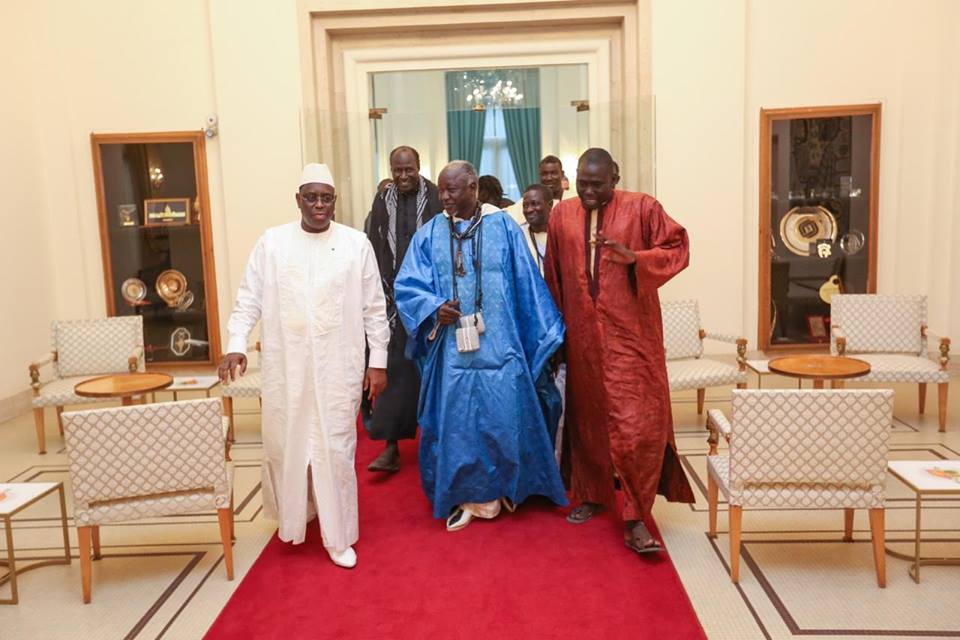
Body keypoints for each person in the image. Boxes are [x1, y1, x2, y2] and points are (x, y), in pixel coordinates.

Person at [219, 163, 390, 569]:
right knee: (288, 444)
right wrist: (236, 344)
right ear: (297, 199)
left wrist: (378, 362)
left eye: (325, 198)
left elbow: (374, 308)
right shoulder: (272, 243)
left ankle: (339, 536)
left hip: (338, 366)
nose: (318, 205)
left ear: (335, 201)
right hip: (287, 366)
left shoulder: (355, 244)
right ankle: (298, 516)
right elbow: (249, 298)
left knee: (335, 448)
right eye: (311, 197)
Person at [394, 161, 567, 531]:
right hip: (451, 353)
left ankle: (507, 487)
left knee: (503, 417)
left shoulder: (503, 227)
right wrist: (432, 308)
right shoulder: (430, 233)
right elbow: (407, 285)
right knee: (459, 424)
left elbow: (527, 283)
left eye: (451, 190)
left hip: (502, 349)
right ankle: (466, 495)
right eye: (441, 190)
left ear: (472, 187)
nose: (444, 197)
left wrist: (544, 337)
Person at [543, 148, 694, 555]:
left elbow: (678, 247)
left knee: (637, 426)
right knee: (588, 422)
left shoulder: (643, 208)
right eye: (582, 183)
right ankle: (592, 493)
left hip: (632, 337)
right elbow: (553, 277)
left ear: (615, 177)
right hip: (582, 340)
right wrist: (556, 338)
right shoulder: (562, 215)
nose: (588, 191)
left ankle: (636, 514)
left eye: (597, 184)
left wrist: (636, 259)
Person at [363, 146, 442, 473]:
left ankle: (439, 446)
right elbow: (373, 243)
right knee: (394, 369)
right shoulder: (383, 200)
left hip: (430, 298)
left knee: (433, 373)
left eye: (409, 169)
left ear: (419, 167)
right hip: (393, 297)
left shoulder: (436, 196)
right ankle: (391, 447)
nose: (403, 176)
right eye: (398, 170)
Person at [506, 155, 573, 226]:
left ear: (562, 174)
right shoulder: (526, 202)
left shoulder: (574, 199)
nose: (549, 178)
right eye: (544, 174)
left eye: (553, 173)